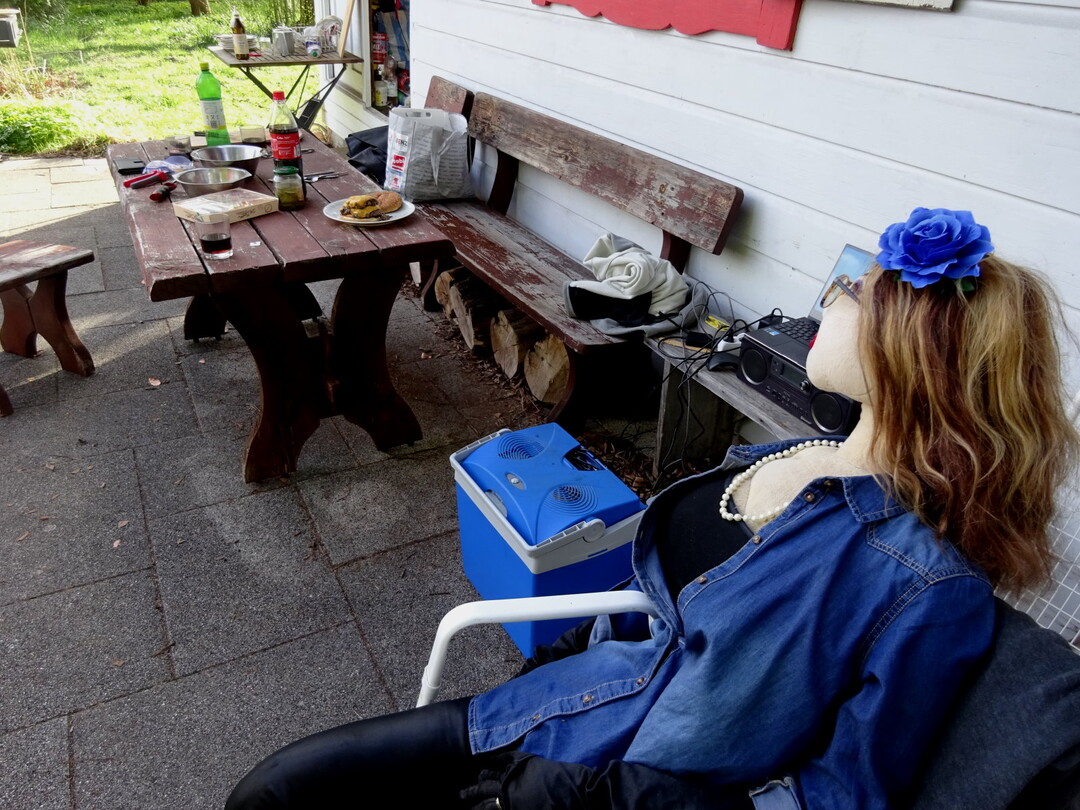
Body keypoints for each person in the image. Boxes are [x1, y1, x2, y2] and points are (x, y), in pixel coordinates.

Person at [225, 208, 1079, 810]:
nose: (828, 298)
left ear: (910, 354)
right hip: (553, 710)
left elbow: (841, 794)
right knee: (271, 791)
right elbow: (678, 605)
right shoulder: (789, 454)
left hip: (612, 780)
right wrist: (570, 646)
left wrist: (635, 800)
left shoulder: (927, 586)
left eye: (855, 293)